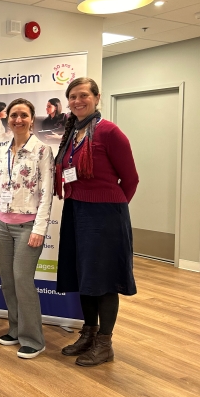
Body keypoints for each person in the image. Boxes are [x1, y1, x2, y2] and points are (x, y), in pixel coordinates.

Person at [54, 77, 139, 367]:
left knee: (104, 280)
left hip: (104, 216)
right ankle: (88, 333)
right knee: (84, 276)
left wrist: (112, 210)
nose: (78, 101)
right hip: (76, 211)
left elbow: (130, 179)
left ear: (96, 97)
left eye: (83, 96)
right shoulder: (72, 132)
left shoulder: (109, 132)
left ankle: (105, 343)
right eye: (73, 97)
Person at [0, 98, 54, 359]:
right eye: (13, 115)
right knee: (8, 282)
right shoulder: (2, 151)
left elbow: (47, 193)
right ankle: (15, 329)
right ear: (8, 119)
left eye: (23, 115)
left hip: (27, 227)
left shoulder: (42, 150)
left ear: (31, 120)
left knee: (23, 281)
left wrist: (39, 228)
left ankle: (33, 339)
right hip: (2, 225)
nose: (18, 120)